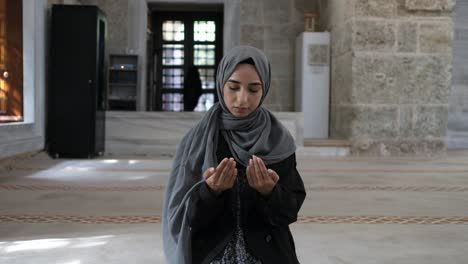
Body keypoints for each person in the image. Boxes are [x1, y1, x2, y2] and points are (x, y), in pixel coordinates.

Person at [162, 46, 306, 264]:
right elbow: (187, 218)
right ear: (221, 84)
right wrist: (211, 192)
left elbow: (288, 212)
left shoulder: (277, 140)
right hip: (212, 256)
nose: (242, 99)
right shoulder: (199, 140)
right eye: (234, 87)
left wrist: (270, 192)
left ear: (264, 89)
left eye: (253, 89)